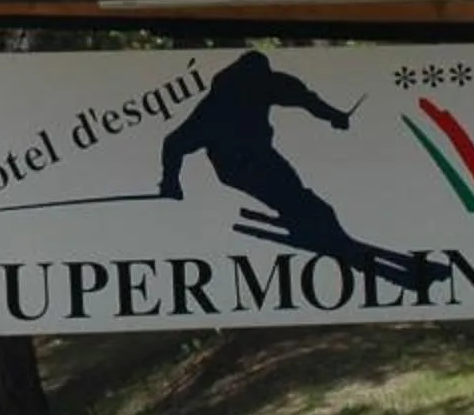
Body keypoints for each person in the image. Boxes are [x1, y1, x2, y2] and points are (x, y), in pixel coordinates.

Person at [158, 50, 447, 295]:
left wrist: (333, 115)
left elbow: (302, 98)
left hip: (260, 158)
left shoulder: (255, 88)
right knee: (307, 207)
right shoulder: (215, 109)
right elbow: (174, 143)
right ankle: (334, 239)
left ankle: (322, 231)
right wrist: (170, 182)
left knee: (310, 206)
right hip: (239, 167)